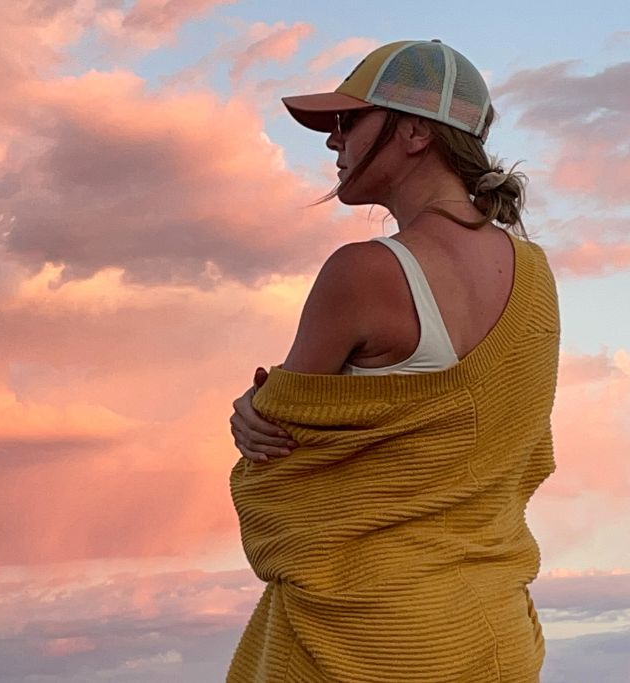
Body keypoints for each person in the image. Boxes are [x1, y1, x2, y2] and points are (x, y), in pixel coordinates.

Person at [225, 39, 560, 682]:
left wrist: (250, 414)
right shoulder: (536, 275)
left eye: (348, 121)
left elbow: (278, 461)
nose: (333, 142)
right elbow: (513, 449)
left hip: (369, 640)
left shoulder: (362, 272)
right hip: (493, 639)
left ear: (411, 132)